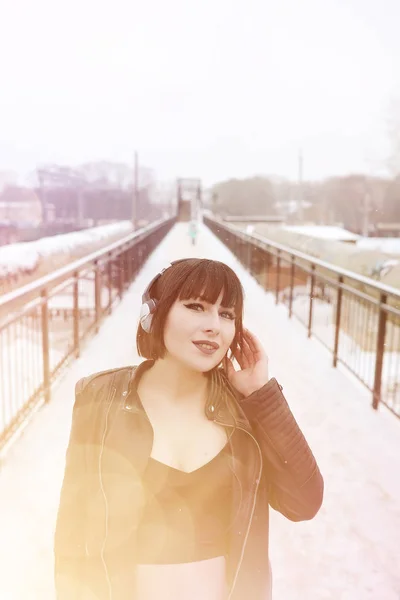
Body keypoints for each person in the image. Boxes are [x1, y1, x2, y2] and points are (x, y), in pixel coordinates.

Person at [54, 258, 324, 600]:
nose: (214, 326)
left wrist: (262, 394)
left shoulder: (246, 407)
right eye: (196, 306)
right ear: (153, 314)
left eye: (226, 314)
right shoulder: (101, 397)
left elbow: (305, 502)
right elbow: (73, 531)